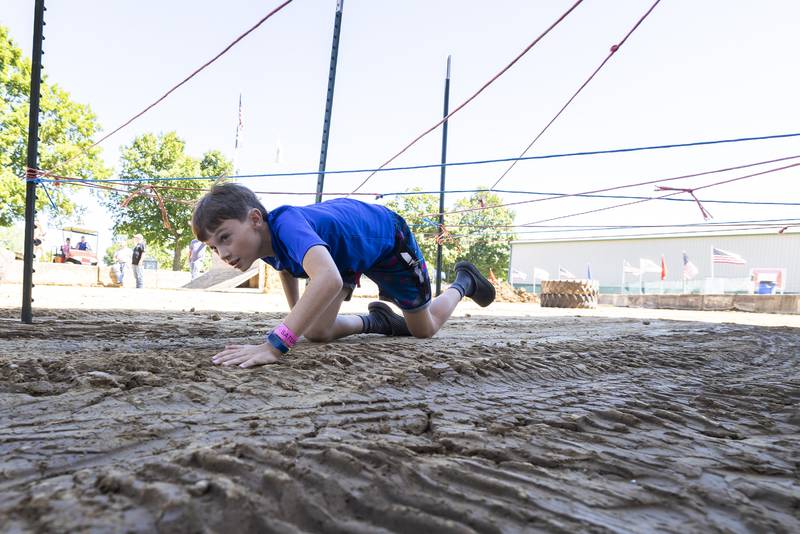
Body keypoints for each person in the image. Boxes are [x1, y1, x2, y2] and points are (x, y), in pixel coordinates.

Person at [191, 183, 495, 369]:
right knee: (316, 332)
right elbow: (285, 267)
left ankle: (463, 283)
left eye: (225, 237)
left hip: (387, 240)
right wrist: (297, 319)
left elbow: (328, 279)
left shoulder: (285, 224)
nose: (222, 253)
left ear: (255, 219)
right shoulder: (263, 244)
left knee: (423, 329)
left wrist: (276, 344)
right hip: (343, 257)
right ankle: (378, 322)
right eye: (214, 247)